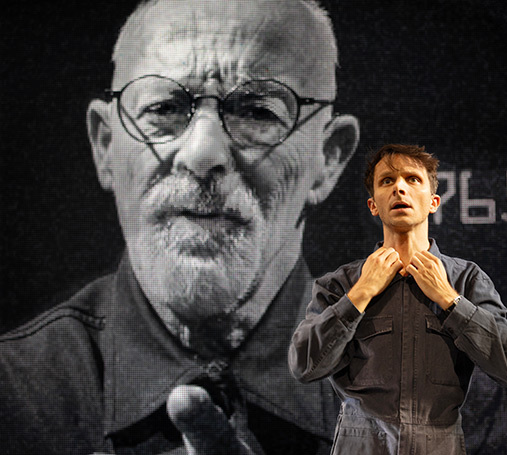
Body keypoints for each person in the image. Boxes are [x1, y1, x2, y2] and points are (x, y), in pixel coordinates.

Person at [0, 0, 359, 454]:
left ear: (328, 160)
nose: (202, 153)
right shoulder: (12, 398)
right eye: (164, 107)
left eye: (258, 112)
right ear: (105, 144)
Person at [289, 144, 507, 454]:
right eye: (387, 181)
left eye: (412, 179)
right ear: (373, 205)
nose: (399, 187)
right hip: (361, 444)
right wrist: (360, 293)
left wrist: (448, 298)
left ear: (433, 202)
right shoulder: (340, 284)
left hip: (438, 443)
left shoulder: (466, 280)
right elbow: (305, 366)